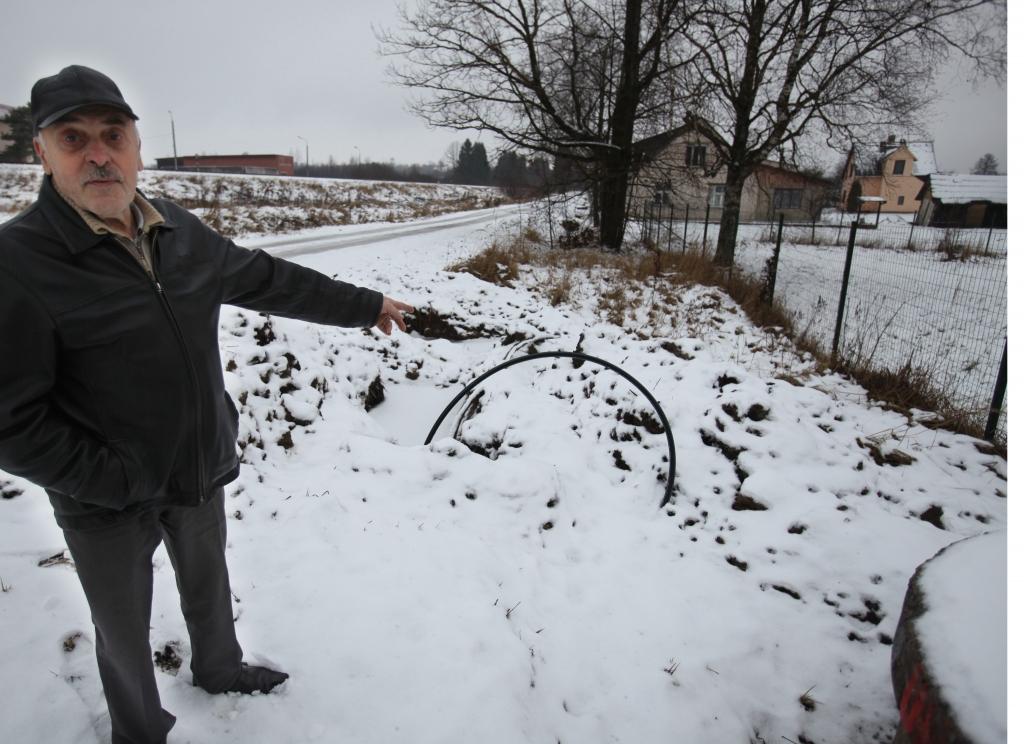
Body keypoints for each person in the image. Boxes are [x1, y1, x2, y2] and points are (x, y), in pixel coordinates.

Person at [0, 65, 413, 744]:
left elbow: (266, 278)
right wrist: (111, 480)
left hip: (195, 466)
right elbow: (11, 421)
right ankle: (140, 729)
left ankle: (220, 668)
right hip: (103, 497)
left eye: (113, 134)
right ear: (41, 153)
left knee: (209, 585)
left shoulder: (178, 231)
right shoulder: (18, 262)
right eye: (74, 138)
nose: (98, 153)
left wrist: (364, 306)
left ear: (136, 146)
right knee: (123, 629)